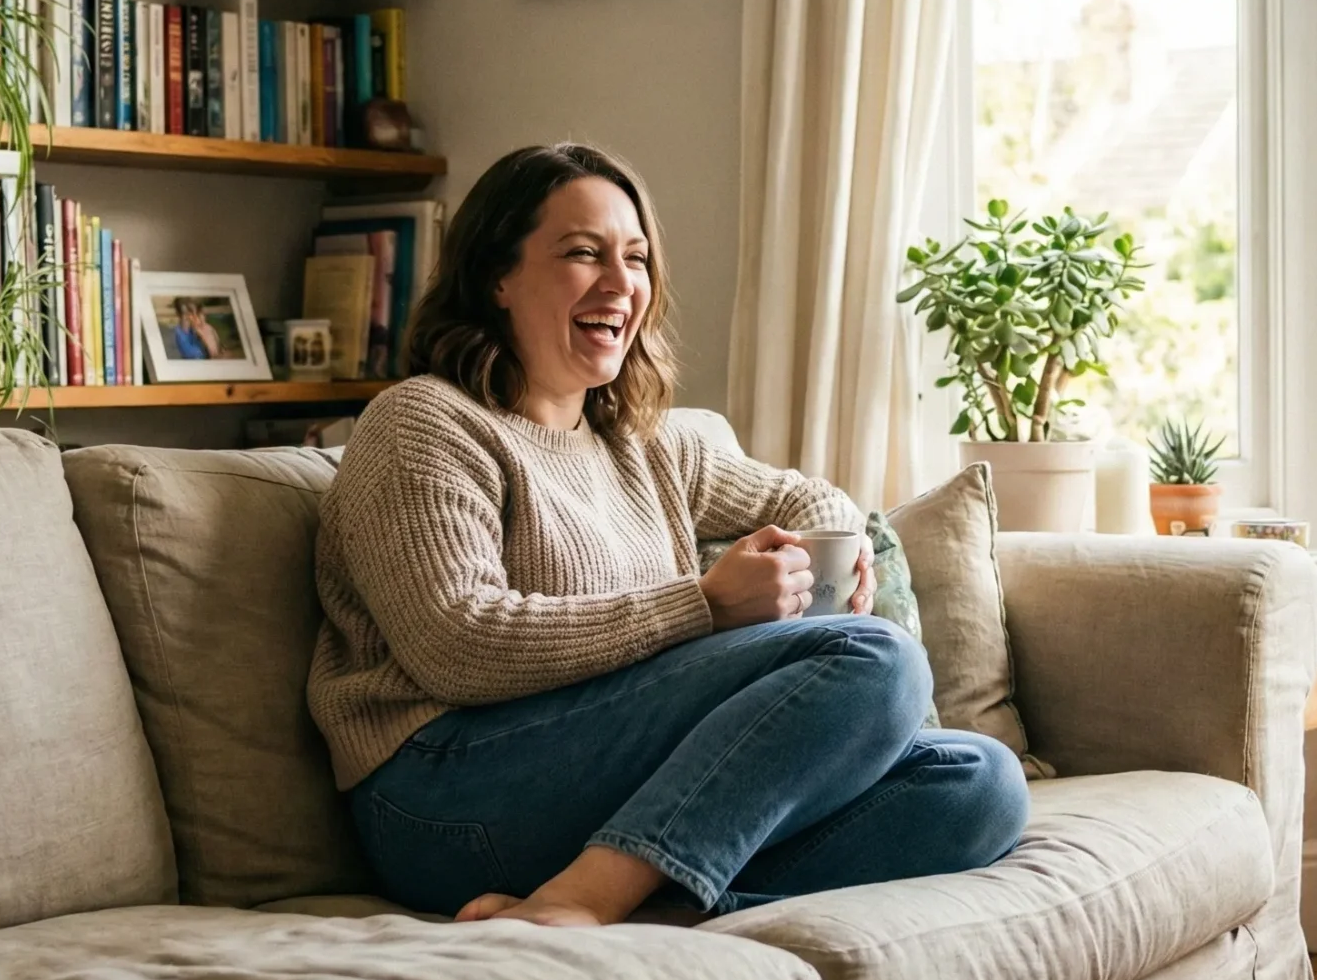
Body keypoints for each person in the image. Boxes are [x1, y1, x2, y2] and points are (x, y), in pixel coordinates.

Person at [309, 143, 1029, 927]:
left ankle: (634, 889)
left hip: (606, 786)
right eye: (584, 254)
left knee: (979, 782)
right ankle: (582, 901)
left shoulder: (643, 443)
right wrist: (704, 608)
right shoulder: (424, 422)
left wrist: (838, 544)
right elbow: (457, 645)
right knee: (877, 659)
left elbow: (810, 495)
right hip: (445, 792)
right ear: (498, 278)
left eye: (637, 258)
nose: (622, 284)